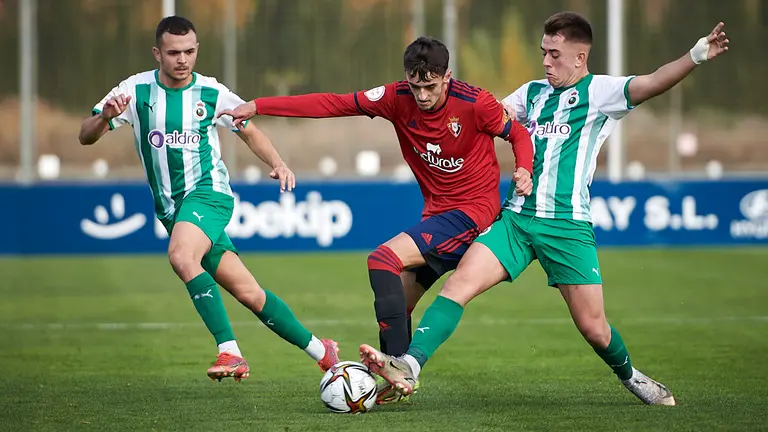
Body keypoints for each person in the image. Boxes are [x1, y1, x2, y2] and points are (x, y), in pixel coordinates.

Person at [358, 12, 730, 406]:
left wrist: (696, 55)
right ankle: (409, 367)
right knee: (458, 286)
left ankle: (631, 376)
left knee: (594, 328)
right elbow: (481, 117)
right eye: (543, 53)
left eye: (554, 54)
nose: (546, 61)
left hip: (567, 226)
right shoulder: (530, 93)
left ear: (579, 57)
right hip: (516, 221)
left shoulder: (601, 91)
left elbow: (653, 82)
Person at [220, 37, 534, 402]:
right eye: (415, 86)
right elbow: (333, 104)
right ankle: (397, 375)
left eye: (430, 87)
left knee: (382, 258)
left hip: (472, 215)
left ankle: (398, 367)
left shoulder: (475, 103)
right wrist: (260, 105)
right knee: (398, 304)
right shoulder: (395, 97)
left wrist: (524, 169)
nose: (421, 95)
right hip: (437, 214)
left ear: (447, 77)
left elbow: (519, 134)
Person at [78, 16, 340, 382]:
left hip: (209, 194)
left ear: (196, 50)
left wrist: (279, 163)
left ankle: (229, 351)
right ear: (158, 53)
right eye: (173, 52)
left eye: (189, 51)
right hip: (172, 210)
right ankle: (321, 350)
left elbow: (249, 130)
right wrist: (104, 118)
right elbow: (85, 136)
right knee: (249, 293)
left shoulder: (212, 93)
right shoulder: (134, 91)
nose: (182, 59)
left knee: (182, 256)